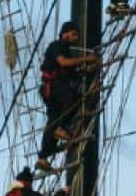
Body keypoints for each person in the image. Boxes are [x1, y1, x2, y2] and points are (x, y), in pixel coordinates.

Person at [37, 21, 98, 170]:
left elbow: (72, 73)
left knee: (53, 120)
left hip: (53, 89)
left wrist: (88, 68)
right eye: (74, 34)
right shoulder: (56, 46)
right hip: (53, 86)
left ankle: (43, 158)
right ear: (65, 33)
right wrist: (86, 59)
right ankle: (61, 128)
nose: (76, 38)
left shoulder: (67, 51)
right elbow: (63, 63)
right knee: (75, 99)